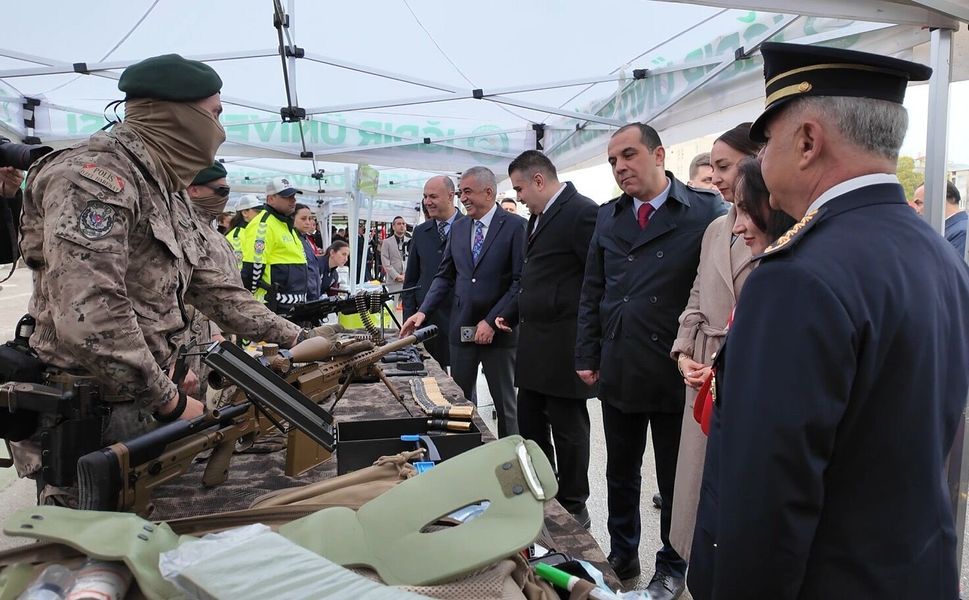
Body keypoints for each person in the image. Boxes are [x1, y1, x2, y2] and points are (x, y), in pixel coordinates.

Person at [688, 42, 969, 600]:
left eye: (766, 141)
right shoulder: (936, 252)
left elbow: (767, 498)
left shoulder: (797, 275)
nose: (760, 158)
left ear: (808, 142)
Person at [14, 54, 312, 503]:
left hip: (139, 407)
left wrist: (300, 338)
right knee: (92, 540)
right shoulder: (95, 179)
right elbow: (90, 314)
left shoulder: (163, 190)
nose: (220, 130)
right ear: (178, 114)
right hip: (94, 416)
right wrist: (168, 400)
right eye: (214, 114)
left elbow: (214, 289)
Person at [575, 122, 724, 597]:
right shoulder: (609, 216)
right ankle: (622, 552)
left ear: (659, 155)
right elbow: (593, 289)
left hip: (675, 367)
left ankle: (674, 563)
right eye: (612, 161)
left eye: (628, 155)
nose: (619, 167)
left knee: (675, 478)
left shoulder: (704, 210)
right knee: (620, 472)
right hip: (620, 359)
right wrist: (587, 352)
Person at [666, 123, 761, 560]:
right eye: (713, 167)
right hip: (701, 366)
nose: (716, 176)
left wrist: (723, 362)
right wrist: (684, 350)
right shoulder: (715, 229)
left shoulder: (779, 227)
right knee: (694, 488)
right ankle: (688, 564)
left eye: (725, 166)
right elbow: (697, 294)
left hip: (738, 370)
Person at [494, 150, 598, 530]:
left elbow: (596, 279)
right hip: (534, 344)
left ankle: (574, 503)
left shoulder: (582, 212)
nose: (518, 197)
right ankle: (543, 490)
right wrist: (513, 311)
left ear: (539, 180)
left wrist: (590, 346)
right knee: (531, 425)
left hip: (565, 345)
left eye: (520, 189)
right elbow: (534, 276)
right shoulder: (535, 219)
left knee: (569, 430)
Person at [400, 166, 526, 437]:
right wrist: (423, 312)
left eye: (468, 192)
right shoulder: (459, 228)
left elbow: (520, 282)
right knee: (459, 402)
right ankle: (467, 453)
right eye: (460, 193)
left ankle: (510, 455)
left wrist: (491, 322)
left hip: (499, 334)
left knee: (506, 406)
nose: (463, 198)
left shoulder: (515, 226)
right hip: (462, 329)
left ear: (489, 192)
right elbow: (444, 276)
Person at [402, 176, 464, 369]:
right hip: (427, 321)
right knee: (430, 377)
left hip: (459, 318)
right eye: (425, 196)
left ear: (450, 196)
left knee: (462, 381)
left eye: (433, 196)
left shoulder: (470, 227)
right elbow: (411, 280)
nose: (427, 202)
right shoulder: (420, 232)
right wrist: (409, 316)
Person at [240, 177, 310, 313]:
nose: (293, 200)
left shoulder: (285, 225)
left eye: (293, 196)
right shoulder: (263, 225)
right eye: (287, 197)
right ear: (271, 199)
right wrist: (250, 306)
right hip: (272, 307)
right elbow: (252, 268)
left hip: (294, 306)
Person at [912, 181, 965, 257]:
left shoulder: (962, 232)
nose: (916, 210)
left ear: (941, 199)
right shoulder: (952, 229)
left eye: (919, 203)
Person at [293, 203, 323, 301]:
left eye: (310, 219)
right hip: (303, 296)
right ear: (292, 218)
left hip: (312, 294)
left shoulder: (306, 238)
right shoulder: (293, 239)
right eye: (303, 219)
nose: (307, 222)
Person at [225, 193, 263, 268]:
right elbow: (238, 266)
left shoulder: (258, 230)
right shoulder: (235, 237)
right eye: (258, 212)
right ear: (245, 213)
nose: (262, 214)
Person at [380, 215, 409, 293]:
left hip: (408, 280)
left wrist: (407, 275)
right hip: (393, 282)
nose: (402, 226)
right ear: (393, 227)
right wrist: (396, 276)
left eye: (403, 224)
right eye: (399, 224)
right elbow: (385, 262)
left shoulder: (410, 241)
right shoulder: (387, 242)